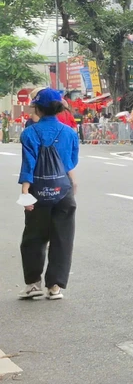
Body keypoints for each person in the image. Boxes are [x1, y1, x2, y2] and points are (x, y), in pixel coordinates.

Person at [18, 88, 80, 301]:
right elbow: (71, 161)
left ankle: (33, 284)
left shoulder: (29, 133)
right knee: (63, 238)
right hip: (64, 191)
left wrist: (25, 190)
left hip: (38, 190)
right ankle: (54, 287)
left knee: (33, 237)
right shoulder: (70, 133)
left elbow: (28, 164)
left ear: (38, 108)